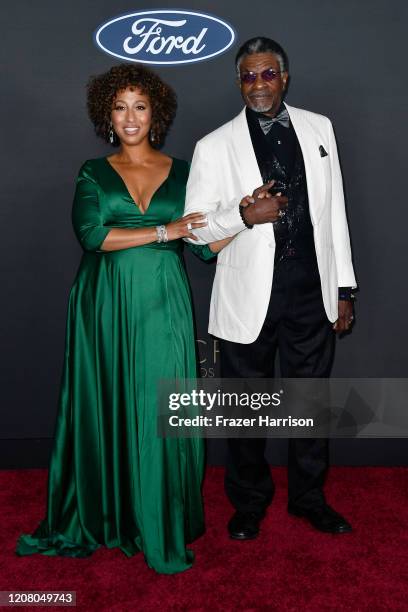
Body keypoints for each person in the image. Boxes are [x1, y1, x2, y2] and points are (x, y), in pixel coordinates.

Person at [16, 63, 228, 574]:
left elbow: (202, 246)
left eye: (140, 106)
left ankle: (159, 518)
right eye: (120, 107)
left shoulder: (184, 172)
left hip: (162, 302)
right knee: (105, 401)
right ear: (106, 116)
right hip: (103, 302)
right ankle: (106, 513)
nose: (130, 117)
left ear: (156, 114)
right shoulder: (93, 171)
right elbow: (92, 236)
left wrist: (243, 218)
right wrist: (164, 232)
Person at [184, 37, 357, 540]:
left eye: (266, 74)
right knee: (245, 406)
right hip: (247, 297)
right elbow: (194, 228)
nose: (257, 84)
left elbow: (335, 215)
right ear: (238, 82)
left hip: (311, 289)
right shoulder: (213, 146)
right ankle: (249, 502)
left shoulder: (319, 127)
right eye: (247, 76)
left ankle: (309, 499)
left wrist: (344, 287)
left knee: (310, 404)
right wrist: (242, 214)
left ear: (284, 77)